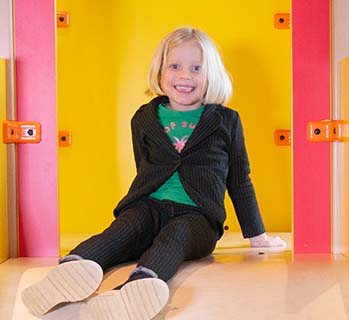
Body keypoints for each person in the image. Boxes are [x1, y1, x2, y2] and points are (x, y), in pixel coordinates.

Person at [21, 26, 286, 320]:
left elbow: (239, 179)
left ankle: (138, 288)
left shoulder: (225, 120)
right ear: (160, 71)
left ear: (211, 75)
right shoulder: (144, 118)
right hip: (147, 205)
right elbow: (144, 170)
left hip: (197, 217)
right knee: (124, 229)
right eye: (175, 66)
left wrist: (257, 235)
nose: (185, 76)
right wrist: (140, 209)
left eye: (196, 68)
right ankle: (71, 268)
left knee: (175, 236)